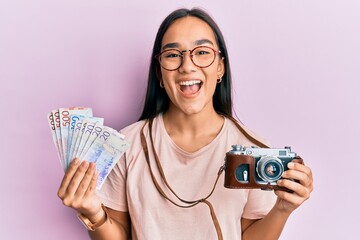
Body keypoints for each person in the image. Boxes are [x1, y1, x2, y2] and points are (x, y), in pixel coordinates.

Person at [57, 7, 313, 240]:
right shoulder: (127, 145)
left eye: (202, 52)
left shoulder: (254, 149)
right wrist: (93, 213)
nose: (187, 65)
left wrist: (283, 208)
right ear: (159, 72)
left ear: (220, 67)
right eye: (172, 55)